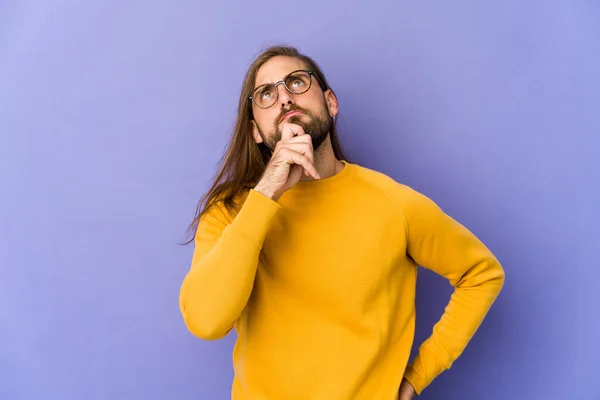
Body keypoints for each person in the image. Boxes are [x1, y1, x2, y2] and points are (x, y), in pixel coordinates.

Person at [179, 45, 505, 400]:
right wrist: (265, 195)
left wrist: (418, 376)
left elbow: (481, 274)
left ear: (330, 103)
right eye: (267, 94)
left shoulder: (393, 203)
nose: (285, 98)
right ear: (255, 131)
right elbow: (206, 322)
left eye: (297, 82)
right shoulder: (229, 211)